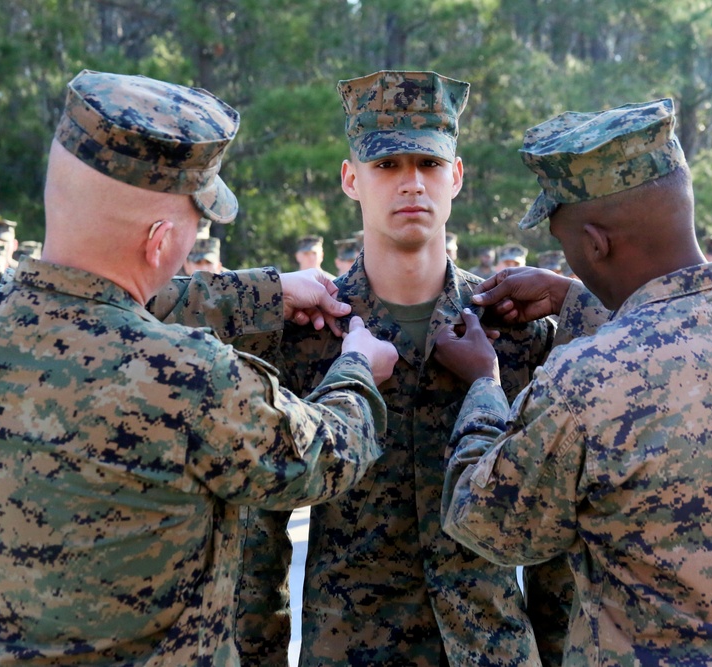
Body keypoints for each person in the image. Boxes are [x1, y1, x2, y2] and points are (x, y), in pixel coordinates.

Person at [0, 69, 397, 665]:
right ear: (162, 240)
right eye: (195, 228)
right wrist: (358, 369)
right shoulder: (190, 381)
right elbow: (326, 455)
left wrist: (265, 293)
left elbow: (91, 295)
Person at [434, 98, 712, 665]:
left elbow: (491, 525)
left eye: (568, 245)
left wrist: (483, 384)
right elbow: (690, 339)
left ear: (595, 244)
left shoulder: (584, 379)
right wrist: (574, 296)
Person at [233, 69, 571, 667]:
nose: (411, 183)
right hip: (350, 648)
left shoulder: (512, 332)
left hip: (489, 648)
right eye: (387, 166)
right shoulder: (311, 336)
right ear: (351, 179)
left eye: (429, 165)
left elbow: (555, 530)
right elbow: (260, 539)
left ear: (456, 176)